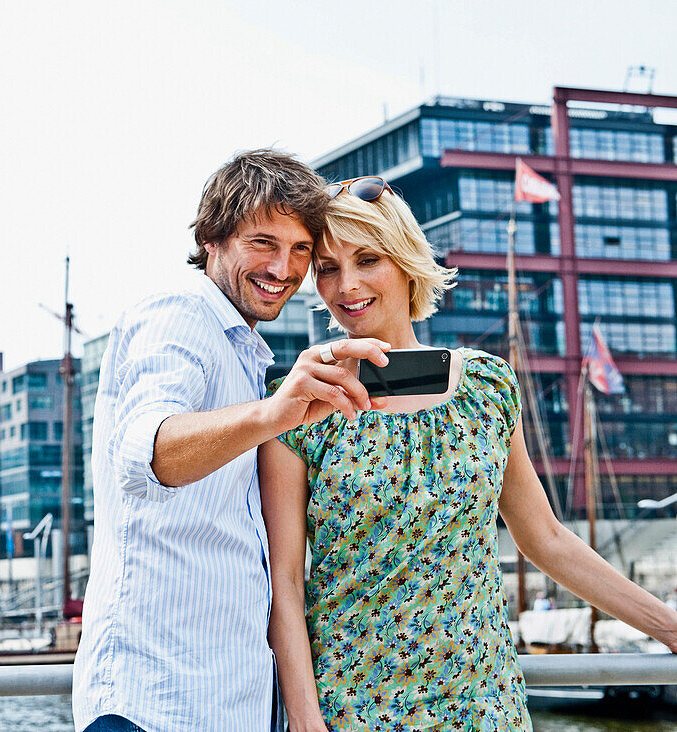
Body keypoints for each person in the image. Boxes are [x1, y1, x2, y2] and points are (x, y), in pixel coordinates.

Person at [259, 176, 677, 731]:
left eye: (367, 260)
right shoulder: (297, 401)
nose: (347, 286)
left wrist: (669, 627)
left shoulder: (485, 387)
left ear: (406, 261)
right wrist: (308, 723)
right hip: (354, 707)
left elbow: (545, 539)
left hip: (482, 703)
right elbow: (284, 582)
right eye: (329, 268)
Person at [72, 151, 391, 732]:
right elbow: (148, 451)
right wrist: (275, 413)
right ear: (213, 239)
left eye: (300, 251)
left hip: (219, 703)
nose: (284, 268)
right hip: (155, 704)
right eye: (263, 243)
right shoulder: (181, 314)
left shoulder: (244, 350)